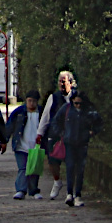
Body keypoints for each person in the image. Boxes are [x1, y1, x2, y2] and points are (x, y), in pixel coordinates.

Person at [47, 89, 101, 206]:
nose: (78, 106)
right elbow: (55, 121)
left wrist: (92, 132)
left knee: (80, 169)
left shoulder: (89, 111)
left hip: (82, 143)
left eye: (80, 104)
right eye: (76, 103)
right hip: (69, 143)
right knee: (70, 167)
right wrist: (62, 133)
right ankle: (69, 194)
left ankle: (78, 194)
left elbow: (99, 122)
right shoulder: (66, 109)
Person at [34, 70, 75, 200]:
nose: (62, 84)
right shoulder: (53, 97)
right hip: (55, 135)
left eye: (64, 81)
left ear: (71, 83)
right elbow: (45, 117)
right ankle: (57, 182)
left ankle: (71, 191)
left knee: (71, 163)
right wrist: (39, 134)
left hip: (71, 136)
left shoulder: (77, 98)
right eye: (59, 82)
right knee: (52, 161)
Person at [5, 89, 43, 199]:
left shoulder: (41, 112)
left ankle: (34, 190)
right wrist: (5, 140)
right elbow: (9, 126)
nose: (31, 103)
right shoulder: (19, 112)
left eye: (34, 101)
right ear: (26, 101)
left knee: (34, 169)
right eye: (29, 101)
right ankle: (21, 190)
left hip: (35, 146)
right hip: (21, 145)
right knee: (23, 168)